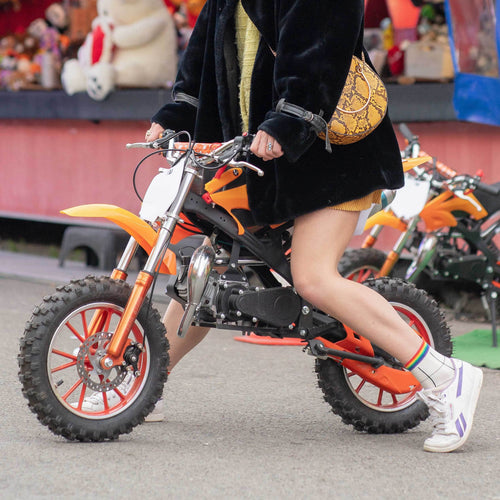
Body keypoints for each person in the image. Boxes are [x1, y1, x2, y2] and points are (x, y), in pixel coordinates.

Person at [90, 0, 484, 452]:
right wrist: (175, 116)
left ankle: (445, 376)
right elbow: (200, 58)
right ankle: (144, 381)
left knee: (314, 278)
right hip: (260, 160)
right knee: (208, 272)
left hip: (330, 156)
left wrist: (290, 119)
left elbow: (320, 52)